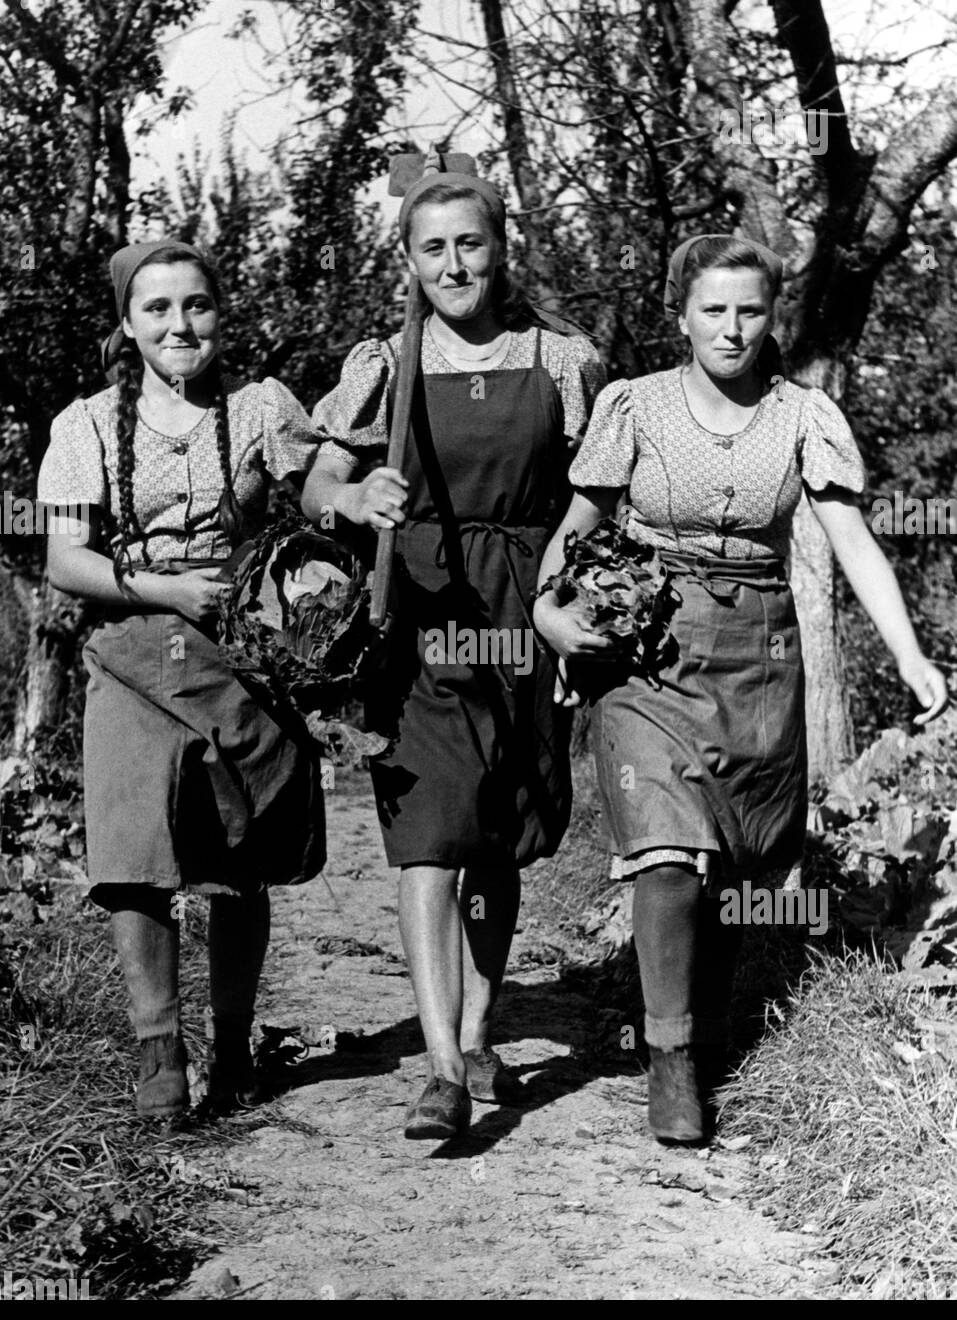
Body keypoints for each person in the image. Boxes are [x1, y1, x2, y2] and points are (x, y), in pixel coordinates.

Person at [533, 233, 948, 1145]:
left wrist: (911, 656)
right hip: (646, 650)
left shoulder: (801, 413)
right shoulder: (632, 407)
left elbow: (851, 541)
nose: (730, 328)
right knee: (669, 853)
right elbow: (576, 525)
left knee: (731, 859)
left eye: (749, 311)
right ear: (680, 315)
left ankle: (707, 1026)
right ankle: (670, 1058)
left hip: (758, 653)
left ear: (771, 319)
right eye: (712, 310)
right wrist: (548, 614)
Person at [304, 167, 606, 1139]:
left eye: (469, 243)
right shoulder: (384, 364)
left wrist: (576, 605)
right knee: (430, 837)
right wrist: (356, 502)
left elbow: (596, 491)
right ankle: (438, 1067)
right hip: (420, 615)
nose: (453, 264)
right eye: (431, 248)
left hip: (528, 606)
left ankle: (481, 1027)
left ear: (500, 246)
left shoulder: (563, 359)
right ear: (406, 261)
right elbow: (318, 480)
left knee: (500, 833)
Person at [36, 240, 327, 1120]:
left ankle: (234, 1050)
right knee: (136, 856)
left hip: (238, 651)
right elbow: (64, 561)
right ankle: (159, 1053)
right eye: (157, 309)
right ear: (128, 324)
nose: (178, 325)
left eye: (195, 305)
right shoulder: (84, 426)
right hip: (128, 649)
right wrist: (166, 588)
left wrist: (343, 507)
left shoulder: (260, 409)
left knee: (240, 857)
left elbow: (321, 493)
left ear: (219, 314)